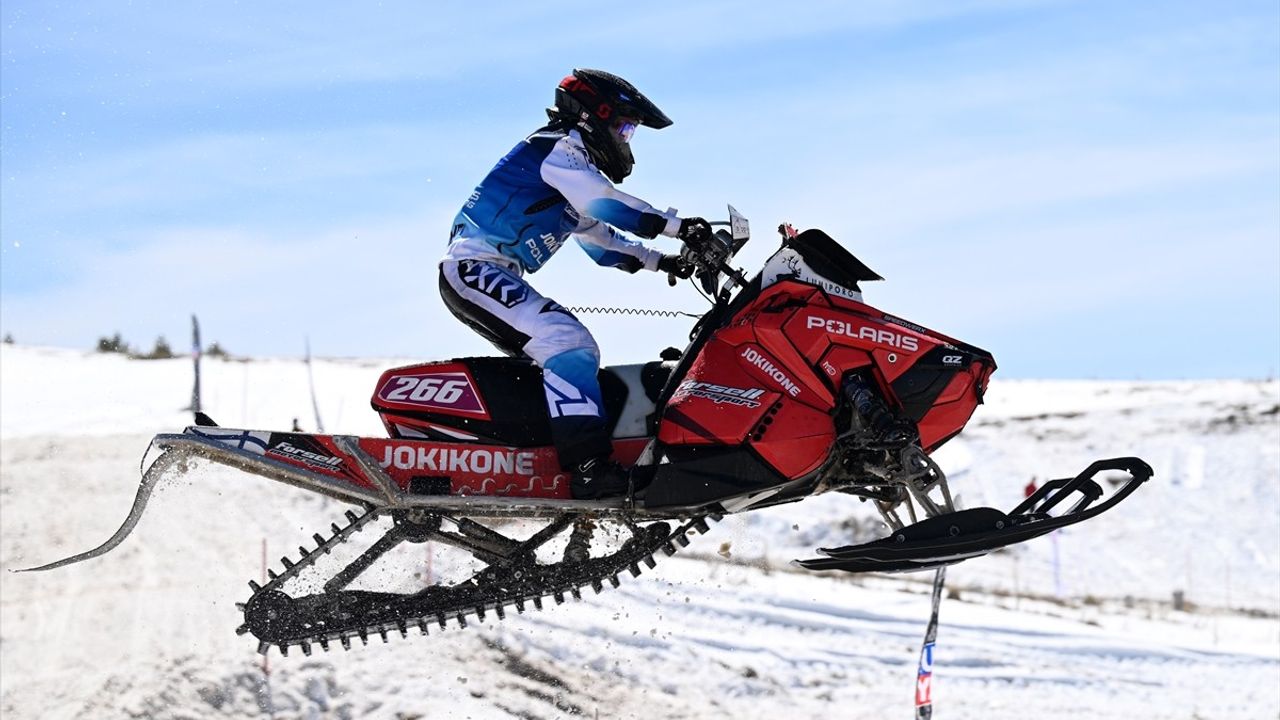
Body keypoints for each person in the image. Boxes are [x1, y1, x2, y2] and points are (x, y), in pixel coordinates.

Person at [439, 68, 712, 499]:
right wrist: (679, 227)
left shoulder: (569, 170)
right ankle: (586, 467)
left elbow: (604, 244)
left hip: (489, 271)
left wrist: (667, 263)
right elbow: (604, 203)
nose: (625, 141)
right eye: (624, 128)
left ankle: (541, 450)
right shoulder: (558, 149)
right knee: (566, 341)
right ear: (594, 115)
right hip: (474, 268)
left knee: (557, 350)